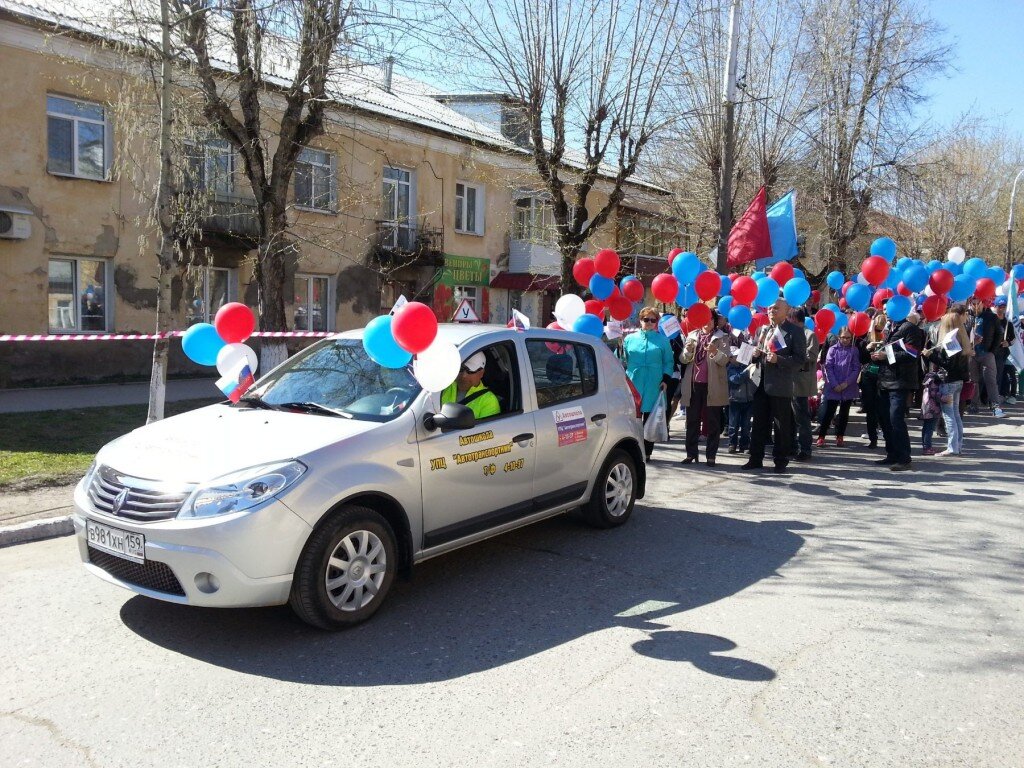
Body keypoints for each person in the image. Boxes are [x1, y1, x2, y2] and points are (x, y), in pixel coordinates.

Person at [742, 298, 807, 473]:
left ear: (787, 311)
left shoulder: (794, 331)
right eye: (770, 308)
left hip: (780, 385)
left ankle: (780, 460)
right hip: (760, 383)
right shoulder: (762, 330)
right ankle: (755, 458)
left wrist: (779, 359)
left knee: (781, 425)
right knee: (758, 424)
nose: (772, 310)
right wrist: (754, 354)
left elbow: (800, 360)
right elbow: (752, 355)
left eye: (777, 308)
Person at [872, 310, 927, 471]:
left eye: (889, 310)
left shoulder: (909, 328)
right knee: (885, 419)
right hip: (885, 380)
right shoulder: (891, 327)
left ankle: (904, 457)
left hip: (900, 381)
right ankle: (892, 453)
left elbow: (912, 353)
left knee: (896, 419)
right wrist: (877, 354)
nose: (886, 313)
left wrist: (885, 355)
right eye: (884, 311)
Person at [678, 310, 730, 466]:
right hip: (694, 384)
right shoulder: (692, 336)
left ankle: (711, 456)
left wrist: (715, 352)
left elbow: (725, 360)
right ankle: (691, 454)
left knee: (713, 421)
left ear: (715, 321)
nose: (707, 323)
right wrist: (687, 350)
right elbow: (683, 359)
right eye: (704, 319)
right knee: (692, 421)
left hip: (713, 385)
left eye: (710, 320)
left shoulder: (722, 337)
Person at [624, 307, 675, 461]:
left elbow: (669, 362)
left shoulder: (663, 340)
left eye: (653, 320)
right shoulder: (629, 339)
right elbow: (623, 359)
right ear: (640, 320)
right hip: (634, 381)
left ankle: (647, 452)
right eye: (646, 319)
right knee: (633, 418)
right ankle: (633, 450)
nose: (649, 323)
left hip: (655, 383)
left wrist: (665, 380)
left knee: (650, 419)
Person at [925, 304, 973, 456]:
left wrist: (930, 355)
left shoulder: (950, 340)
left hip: (949, 382)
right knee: (956, 415)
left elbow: (948, 364)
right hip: (958, 381)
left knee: (949, 416)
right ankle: (957, 445)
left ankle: (953, 447)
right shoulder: (961, 338)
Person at [816, 326, 860, 447]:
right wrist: (834, 384)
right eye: (842, 337)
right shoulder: (832, 349)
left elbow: (856, 368)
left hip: (848, 386)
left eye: (848, 338)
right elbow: (828, 367)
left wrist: (847, 382)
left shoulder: (854, 350)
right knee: (829, 411)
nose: (845, 340)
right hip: (833, 385)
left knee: (844, 413)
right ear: (838, 337)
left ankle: (840, 435)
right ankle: (822, 436)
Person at [967, 296, 1005, 417]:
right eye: (973, 304)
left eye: (978, 303)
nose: (976, 306)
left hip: (987, 353)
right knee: (974, 381)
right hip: (972, 354)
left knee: (991, 380)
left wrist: (992, 351)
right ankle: (974, 405)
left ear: (983, 303)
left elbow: (999, 334)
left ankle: (995, 406)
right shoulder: (968, 318)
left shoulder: (991, 317)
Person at [790, 308, 819, 461]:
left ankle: (805, 449)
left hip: (801, 382)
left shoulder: (810, 334)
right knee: (790, 418)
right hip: (788, 381)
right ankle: (792, 446)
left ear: (795, 319)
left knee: (802, 418)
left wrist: (793, 356)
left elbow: (812, 355)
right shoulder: (790, 334)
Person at [440, 350, 501, 419]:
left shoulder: (489, 400)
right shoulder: (444, 387)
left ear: (481, 373)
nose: (464, 375)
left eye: (470, 371)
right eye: (461, 369)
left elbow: (486, 429)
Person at [858, 312, 887, 448]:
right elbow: (861, 359)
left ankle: (886, 436)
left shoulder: (889, 339)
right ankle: (872, 438)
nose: (879, 332)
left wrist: (883, 354)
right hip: (869, 376)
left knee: (883, 409)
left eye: (882, 329)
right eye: (877, 329)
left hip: (883, 376)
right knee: (870, 409)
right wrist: (866, 349)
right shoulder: (867, 338)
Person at [726, 340, 756, 454]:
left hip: (748, 399)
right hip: (735, 400)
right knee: (733, 425)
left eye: (739, 355)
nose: (738, 357)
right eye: (735, 356)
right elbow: (736, 379)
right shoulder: (730, 369)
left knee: (746, 425)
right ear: (731, 358)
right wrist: (747, 371)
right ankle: (732, 444)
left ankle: (744, 444)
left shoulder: (746, 365)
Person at [993, 297, 1017, 404]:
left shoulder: (1008, 324)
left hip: (1001, 354)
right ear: (995, 307)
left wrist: (1008, 343)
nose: (1002, 309)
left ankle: (998, 396)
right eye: (1000, 307)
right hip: (990, 352)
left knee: (999, 375)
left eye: (1004, 307)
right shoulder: (991, 320)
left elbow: (1013, 339)